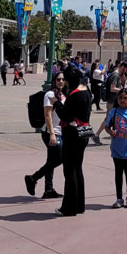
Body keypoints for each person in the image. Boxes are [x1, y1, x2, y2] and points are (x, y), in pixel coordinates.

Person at [53, 69, 93, 216]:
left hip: (73, 133)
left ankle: (69, 208)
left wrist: (56, 103)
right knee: (78, 169)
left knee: (69, 170)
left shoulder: (75, 94)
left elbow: (65, 115)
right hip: (85, 130)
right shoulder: (87, 91)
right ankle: (79, 205)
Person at [25, 73, 65, 200]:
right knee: (60, 158)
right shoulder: (50, 94)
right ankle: (33, 178)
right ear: (54, 81)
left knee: (51, 161)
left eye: (63, 79)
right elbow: (47, 115)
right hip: (50, 133)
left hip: (62, 132)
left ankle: (48, 189)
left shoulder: (64, 94)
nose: (61, 81)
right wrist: (52, 134)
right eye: (58, 79)